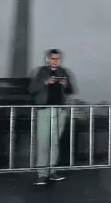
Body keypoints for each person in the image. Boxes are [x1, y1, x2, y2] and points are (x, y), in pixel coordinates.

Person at [28, 48, 77, 185]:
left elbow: (71, 90)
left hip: (59, 111)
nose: (56, 61)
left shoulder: (63, 72)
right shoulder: (40, 72)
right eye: (53, 58)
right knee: (43, 142)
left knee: (55, 142)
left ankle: (52, 171)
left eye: (58, 59)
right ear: (47, 59)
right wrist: (45, 82)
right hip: (44, 110)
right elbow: (31, 89)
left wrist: (65, 84)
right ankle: (42, 174)